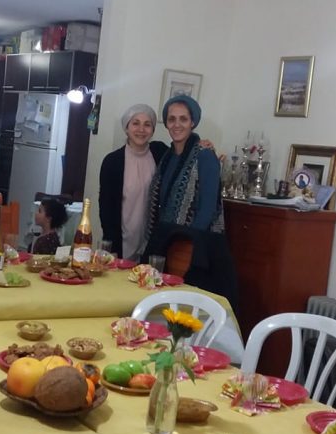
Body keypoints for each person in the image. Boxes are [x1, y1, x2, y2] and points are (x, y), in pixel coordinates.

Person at [144, 94, 237, 306]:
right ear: (166, 123)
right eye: (172, 119)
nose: (177, 125)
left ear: (193, 122)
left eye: (183, 119)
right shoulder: (166, 156)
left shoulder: (204, 156)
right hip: (167, 245)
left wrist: (187, 245)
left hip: (194, 252)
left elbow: (208, 208)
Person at [99, 104, 167, 259]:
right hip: (121, 243)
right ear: (126, 128)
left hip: (151, 243)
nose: (141, 129)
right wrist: (112, 246)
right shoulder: (112, 162)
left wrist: (199, 144)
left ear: (153, 130)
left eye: (147, 124)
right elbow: (106, 208)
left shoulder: (160, 153)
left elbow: (182, 155)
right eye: (135, 123)